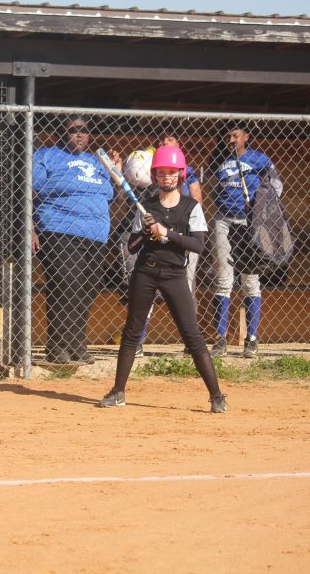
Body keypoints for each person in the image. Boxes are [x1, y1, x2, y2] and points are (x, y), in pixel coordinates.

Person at [99, 145, 227, 413]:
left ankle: (216, 395)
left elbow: (199, 245)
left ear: (180, 175)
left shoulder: (191, 207)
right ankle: (118, 392)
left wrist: (166, 233)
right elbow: (132, 247)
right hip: (145, 272)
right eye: (161, 173)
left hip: (174, 275)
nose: (166, 177)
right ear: (154, 176)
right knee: (132, 332)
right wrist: (145, 232)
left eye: (171, 173)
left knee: (192, 335)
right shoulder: (147, 206)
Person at [32, 117, 120, 364]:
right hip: (59, 229)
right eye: (73, 131)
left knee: (87, 290)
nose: (80, 136)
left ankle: (77, 343)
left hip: (96, 234)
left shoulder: (97, 160)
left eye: (84, 131)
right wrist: (30, 226)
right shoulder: (47, 156)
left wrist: (116, 170)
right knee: (65, 285)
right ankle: (57, 346)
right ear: (62, 134)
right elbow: (26, 190)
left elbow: (112, 195)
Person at [117, 133, 204, 356]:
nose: (165, 144)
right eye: (162, 141)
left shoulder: (187, 171)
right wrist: (121, 171)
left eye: (170, 140)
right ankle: (138, 340)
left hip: (179, 239)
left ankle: (190, 341)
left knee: (187, 287)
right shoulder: (148, 168)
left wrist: (176, 225)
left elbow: (196, 201)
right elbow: (127, 197)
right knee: (146, 289)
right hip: (152, 243)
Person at [208, 122, 281, 358]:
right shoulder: (218, 159)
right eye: (228, 136)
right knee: (223, 278)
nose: (231, 140)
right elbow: (211, 186)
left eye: (236, 136)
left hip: (250, 222)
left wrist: (263, 204)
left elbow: (277, 184)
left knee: (250, 280)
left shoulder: (258, 158)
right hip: (224, 219)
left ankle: (251, 338)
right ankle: (220, 338)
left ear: (245, 137)